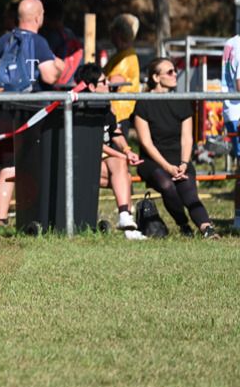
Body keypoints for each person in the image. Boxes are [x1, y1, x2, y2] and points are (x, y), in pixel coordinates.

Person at [0, 0, 65, 227]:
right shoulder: (39, 42)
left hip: (6, 110)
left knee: (9, 163)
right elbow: (50, 75)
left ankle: (0, 219)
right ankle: (36, 214)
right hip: (33, 112)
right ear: (39, 17)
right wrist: (59, 65)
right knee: (35, 161)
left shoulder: (4, 40)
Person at [133, 57, 219, 239]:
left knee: (189, 192)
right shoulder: (143, 103)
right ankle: (184, 225)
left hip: (179, 158)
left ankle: (207, 228)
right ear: (156, 78)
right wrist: (167, 167)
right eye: (170, 72)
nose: (175, 75)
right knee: (167, 185)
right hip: (152, 160)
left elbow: (187, 138)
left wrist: (183, 163)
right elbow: (146, 143)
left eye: (175, 71)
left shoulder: (181, 101)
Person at [76, 63, 142, 230]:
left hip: (103, 159)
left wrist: (127, 150)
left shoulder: (107, 105)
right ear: (91, 87)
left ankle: (126, 221)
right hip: (85, 160)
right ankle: (126, 218)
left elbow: (115, 132)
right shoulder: (83, 108)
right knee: (123, 171)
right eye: (103, 82)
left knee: (124, 174)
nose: (108, 85)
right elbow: (94, 143)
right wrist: (122, 156)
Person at [104, 13, 141, 140]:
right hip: (115, 113)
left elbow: (113, 85)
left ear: (118, 33)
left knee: (116, 154)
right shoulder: (120, 55)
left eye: (112, 29)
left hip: (119, 115)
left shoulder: (126, 58)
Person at [222, 32, 240, 232]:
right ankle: (237, 220)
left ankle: (237, 219)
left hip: (233, 112)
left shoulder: (232, 42)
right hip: (238, 113)